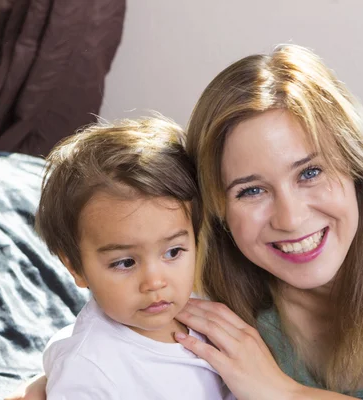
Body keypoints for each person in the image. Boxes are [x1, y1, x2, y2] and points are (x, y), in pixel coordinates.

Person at [9, 45, 363, 399]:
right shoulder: (208, 272)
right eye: (251, 190)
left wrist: (281, 392)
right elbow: (114, 327)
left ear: (356, 167)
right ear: (215, 211)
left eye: (310, 172)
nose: (291, 219)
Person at [34, 116, 234, 399]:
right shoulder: (88, 374)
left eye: (173, 252)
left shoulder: (208, 308)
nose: (154, 282)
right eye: (125, 262)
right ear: (75, 267)